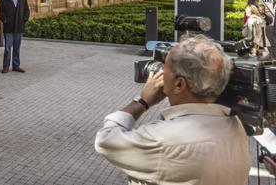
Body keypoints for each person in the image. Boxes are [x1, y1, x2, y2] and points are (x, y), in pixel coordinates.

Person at [95, 35, 250, 185]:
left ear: (179, 85)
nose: (159, 74)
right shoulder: (236, 127)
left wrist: (142, 102)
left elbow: (105, 140)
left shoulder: (161, 139)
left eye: (165, 69)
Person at [0, 0, 29, 73]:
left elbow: (26, 11)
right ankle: (6, 66)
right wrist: (5, 21)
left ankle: (16, 66)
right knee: (8, 48)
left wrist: (23, 20)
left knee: (16, 48)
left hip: (18, 28)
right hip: (8, 28)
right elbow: (1, 12)